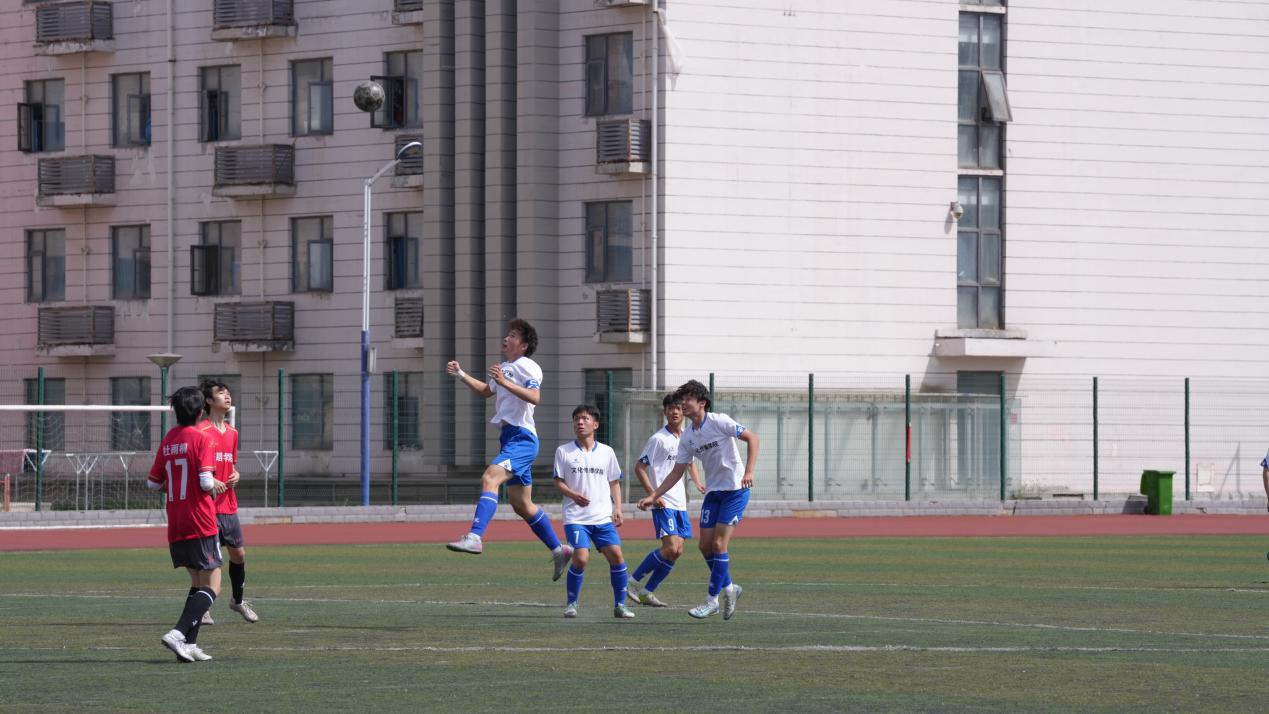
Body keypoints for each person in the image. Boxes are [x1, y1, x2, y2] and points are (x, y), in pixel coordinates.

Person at [444, 319, 572, 581]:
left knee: (489, 478)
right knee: (521, 504)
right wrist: (461, 374)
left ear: (523, 345)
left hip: (522, 439)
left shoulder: (527, 365)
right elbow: (486, 391)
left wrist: (504, 382)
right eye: (508, 334)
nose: (506, 338)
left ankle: (475, 537)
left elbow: (534, 397)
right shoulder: (505, 368)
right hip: (510, 438)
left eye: (513, 335)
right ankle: (559, 549)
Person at [637, 379, 758, 621]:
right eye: (681, 399)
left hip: (735, 490)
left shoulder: (719, 421)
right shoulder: (688, 437)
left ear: (702, 402)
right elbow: (676, 472)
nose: (683, 403)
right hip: (714, 493)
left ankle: (711, 601)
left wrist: (749, 472)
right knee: (705, 546)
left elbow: (753, 438)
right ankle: (730, 588)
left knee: (719, 545)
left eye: (688, 399)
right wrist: (654, 495)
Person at [147, 386, 227, 663]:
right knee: (214, 584)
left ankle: (189, 644)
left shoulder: (169, 438)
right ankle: (178, 633)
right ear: (200, 411)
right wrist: (213, 483)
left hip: (176, 521)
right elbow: (205, 482)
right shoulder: (202, 438)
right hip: (200, 520)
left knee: (197, 583)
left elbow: (152, 483)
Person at [553, 405, 634, 619]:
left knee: (616, 556)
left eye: (585, 419)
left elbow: (614, 482)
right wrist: (573, 494)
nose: (580, 422)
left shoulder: (607, 452)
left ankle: (620, 605)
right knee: (581, 558)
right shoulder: (563, 451)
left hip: (602, 517)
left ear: (595, 424)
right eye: (576, 419)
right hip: (576, 517)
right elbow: (558, 482)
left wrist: (618, 508)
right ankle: (571, 603)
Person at [626, 394, 704, 607]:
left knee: (677, 551)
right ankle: (632, 581)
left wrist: (698, 482)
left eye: (678, 407)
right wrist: (654, 494)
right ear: (665, 412)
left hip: (680, 502)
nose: (675, 411)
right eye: (670, 408)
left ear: (684, 411)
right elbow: (639, 467)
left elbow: (689, 463)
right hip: (664, 501)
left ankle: (647, 592)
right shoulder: (658, 439)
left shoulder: (687, 436)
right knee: (669, 548)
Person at [196, 379, 258, 625]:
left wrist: (236, 475)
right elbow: (196, 468)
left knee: (239, 554)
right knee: (209, 562)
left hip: (228, 505)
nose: (228, 396)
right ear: (209, 401)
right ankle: (202, 608)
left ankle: (237, 601)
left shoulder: (232, 433)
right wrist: (210, 480)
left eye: (228, 393)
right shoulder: (200, 431)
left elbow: (231, 464)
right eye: (221, 393)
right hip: (207, 507)